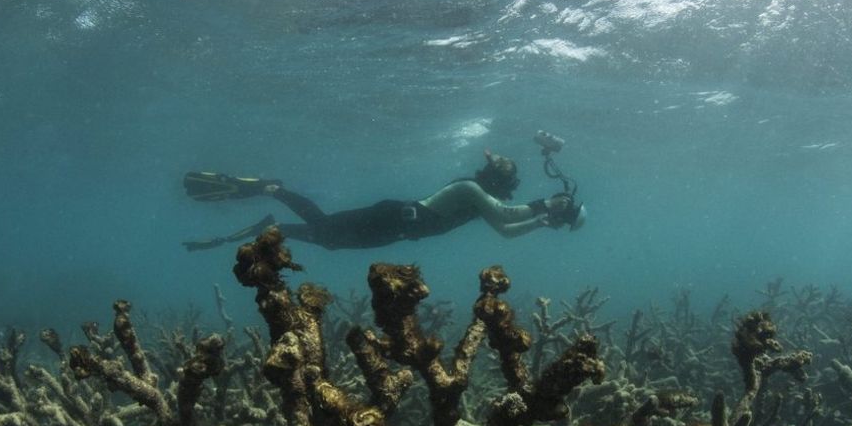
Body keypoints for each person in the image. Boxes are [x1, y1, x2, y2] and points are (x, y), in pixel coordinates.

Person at [182, 151, 585, 251]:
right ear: (496, 182)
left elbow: (506, 230)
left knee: (326, 236)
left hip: (393, 230)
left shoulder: (480, 202)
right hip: (390, 217)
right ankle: (272, 196)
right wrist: (548, 205)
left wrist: (541, 220)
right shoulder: (472, 191)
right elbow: (506, 212)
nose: (509, 189)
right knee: (325, 232)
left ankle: (274, 212)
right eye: (509, 183)